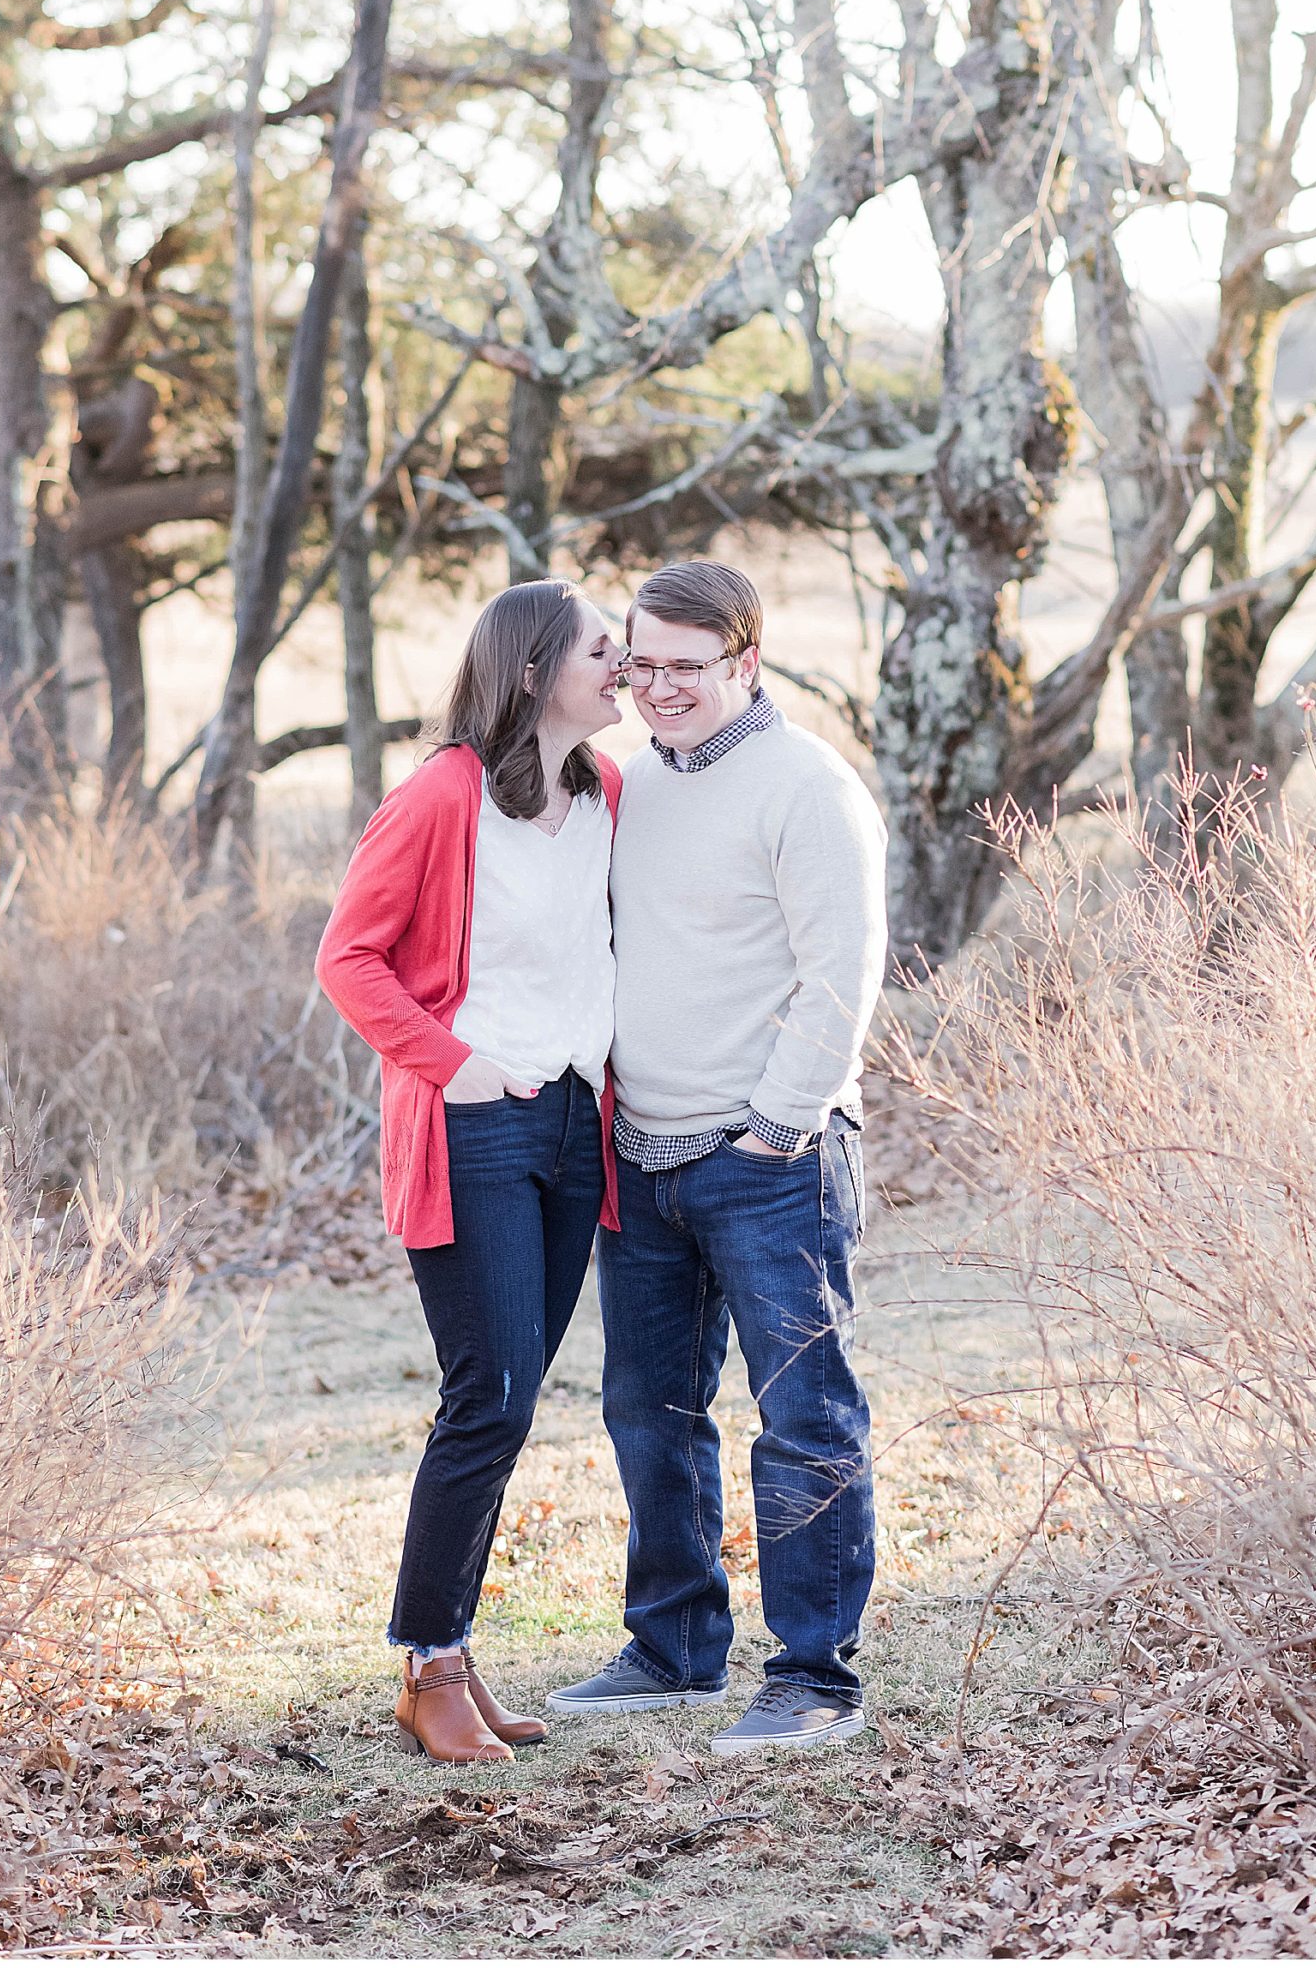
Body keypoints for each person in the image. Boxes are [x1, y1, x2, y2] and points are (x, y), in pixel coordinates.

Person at [548, 560, 887, 1754]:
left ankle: (812, 1678)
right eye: (644, 666)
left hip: (770, 1156)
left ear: (746, 660)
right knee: (649, 1411)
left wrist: (776, 1125)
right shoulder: (634, 784)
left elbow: (838, 974)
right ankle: (676, 1647)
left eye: (689, 668)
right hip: (638, 1155)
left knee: (802, 1416)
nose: (662, 689)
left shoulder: (806, 787)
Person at [315, 579, 625, 1765]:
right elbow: (349, 957)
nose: (626, 669)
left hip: (570, 1126)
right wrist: (456, 1066)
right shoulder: (443, 794)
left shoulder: (608, 793)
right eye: (606, 651)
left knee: (510, 1397)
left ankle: (451, 1647)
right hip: (473, 1125)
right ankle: (428, 1664)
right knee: (485, 1391)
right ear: (536, 669)